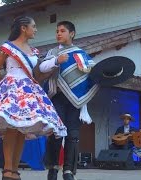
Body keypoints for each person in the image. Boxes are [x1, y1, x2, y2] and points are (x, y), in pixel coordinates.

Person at [0, 16, 67, 180]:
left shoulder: (34, 51)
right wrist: (5, 89)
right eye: (33, 26)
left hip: (29, 89)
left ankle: (15, 170)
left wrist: (55, 63)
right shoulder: (7, 47)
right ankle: (7, 170)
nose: (36, 29)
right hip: (12, 88)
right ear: (23, 28)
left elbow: (38, 73)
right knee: (12, 128)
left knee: (21, 130)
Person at [42, 21, 99, 180]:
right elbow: (42, 68)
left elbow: (92, 73)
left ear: (72, 33)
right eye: (57, 31)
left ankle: (68, 171)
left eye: (62, 31)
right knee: (56, 133)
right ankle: (53, 168)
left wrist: (105, 74)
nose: (59, 34)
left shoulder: (81, 54)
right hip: (57, 97)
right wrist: (56, 61)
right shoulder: (53, 52)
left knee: (73, 135)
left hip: (76, 100)